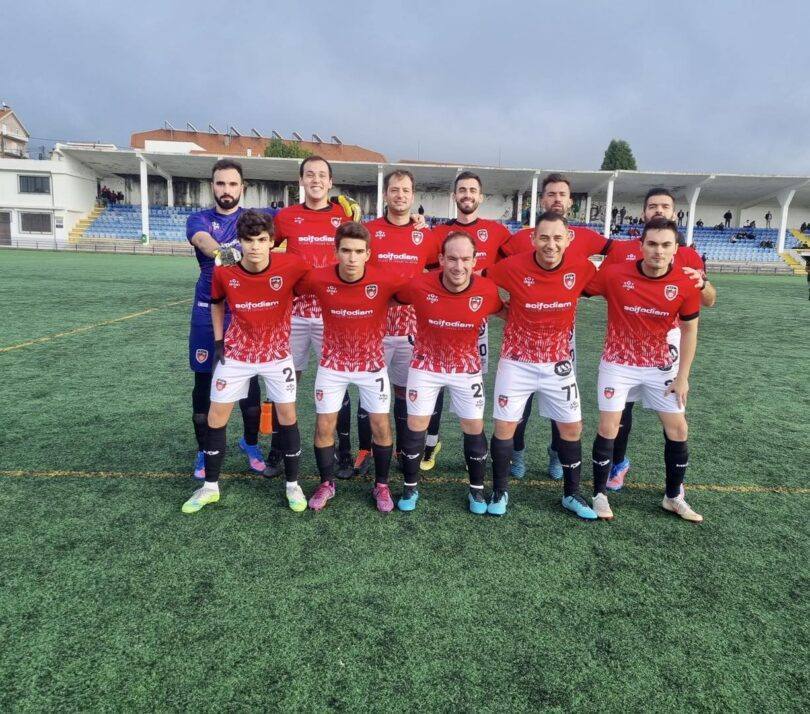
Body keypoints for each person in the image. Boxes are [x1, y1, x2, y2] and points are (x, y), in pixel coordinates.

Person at [181, 210, 310, 514]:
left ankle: (293, 485)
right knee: (216, 416)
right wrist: (218, 341)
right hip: (236, 354)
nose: (255, 247)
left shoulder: (291, 265)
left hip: (276, 355)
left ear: (272, 241)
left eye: (262, 240)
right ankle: (210, 487)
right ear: (239, 241)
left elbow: (322, 279)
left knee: (287, 415)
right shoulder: (225, 270)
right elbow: (216, 303)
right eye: (249, 240)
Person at [584, 217, 704, 522]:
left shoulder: (686, 283)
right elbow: (576, 287)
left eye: (665, 245)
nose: (658, 251)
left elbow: (690, 331)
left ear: (676, 249)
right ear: (641, 246)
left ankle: (673, 497)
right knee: (609, 427)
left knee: (678, 429)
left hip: (659, 366)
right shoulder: (614, 274)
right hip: (618, 363)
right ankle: (599, 494)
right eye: (651, 244)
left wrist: (683, 377)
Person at [598, 188, 716, 491]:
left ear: (674, 213)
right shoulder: (622, 251)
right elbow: (601, 284)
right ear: (644, 213)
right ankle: (618, 464)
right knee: (621, 411)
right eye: (653, 206)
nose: (659, 210)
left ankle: (674, 487)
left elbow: (709, 300)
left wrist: (702, 283)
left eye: (665, 206)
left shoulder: (688, 254)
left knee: (673, 410)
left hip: (668, 339)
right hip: (627, 338)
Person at [486, 212, 598, 519]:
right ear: (533, 239)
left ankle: (571, 494)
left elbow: (614, 285)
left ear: (568, 239)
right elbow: (480, 281)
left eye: (558, 238)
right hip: (516, 362)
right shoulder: (512, 266)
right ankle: (499, 490)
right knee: (504, 427)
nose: (551, 244)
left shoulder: (583, 268)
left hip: (558, 363)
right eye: (544, 237)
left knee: (572, 427)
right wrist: (501, 309)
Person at [499, 173, 609, 481]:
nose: (557, 199)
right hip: (522, 340)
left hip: (562, 338)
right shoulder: (521, 239)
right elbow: (492, 268)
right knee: (520, 404)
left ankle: (557, 454)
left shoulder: (585, 237)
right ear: (542, 200)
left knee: (561, 405)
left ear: (570, 201)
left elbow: (620, 255)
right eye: (551, 194)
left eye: (562, 194)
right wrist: (505, 308)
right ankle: (517, 454)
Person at [296, 222, 406, 513]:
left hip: (372, 365)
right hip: (332, 365)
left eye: (359, 251)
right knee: (324, 425)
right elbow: (289, 286)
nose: (352, 258)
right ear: (336, 252)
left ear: (368, 254)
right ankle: (326, 483)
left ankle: (381, 485)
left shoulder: (385, 279)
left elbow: (415, 293)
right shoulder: (318, 278)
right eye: (346, 251)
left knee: (380, 424)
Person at [395, 232, 504, 513]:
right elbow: (391, 298)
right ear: (441, 259)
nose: (459, 266)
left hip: (466, 368)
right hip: (426, 365)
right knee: (416, 424)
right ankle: (409, 487)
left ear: (475, 260)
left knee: (474, 426)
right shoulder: (419, 285)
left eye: (466, 259)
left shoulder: (487, 290)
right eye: (452, 259)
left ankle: (477, 491)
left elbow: (506, 312)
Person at [268, 156, 355, 478]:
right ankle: (278, 448)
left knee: (338, 381)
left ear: (330, 182)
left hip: (333, 314)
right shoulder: (286, 216)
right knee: (286, 379)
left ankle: (344, 451)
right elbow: (263, 246)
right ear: (301, 180)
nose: (316, 180)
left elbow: (360, 248)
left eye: (322, 175)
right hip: (293, 314)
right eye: (309, 174)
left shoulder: (344, 215)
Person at [186, 159, 270, 481]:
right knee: (204, 382)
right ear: (212, 186)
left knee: (250, 384)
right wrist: (228, 254)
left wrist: (339, 208)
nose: (226, 190)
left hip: (245, 311)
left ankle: (250, 443)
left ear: (242, 187)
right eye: (220, 183)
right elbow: (203, 242)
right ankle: (203, 449)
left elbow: (298, 220)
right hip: (207, 311)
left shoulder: (253, 219)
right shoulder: (199, 219)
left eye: (232, 184)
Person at [421, 172, 511, 471]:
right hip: (440, 320)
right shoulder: (438, 232)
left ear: (481, 197)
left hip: (476, 322)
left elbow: (520, 261)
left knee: (471, 390)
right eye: (462, 190)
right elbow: (427, 269)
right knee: (434, 386)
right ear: (454, 196)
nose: (467, 194)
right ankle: (430, 444)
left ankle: (473, 452)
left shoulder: (496, 232)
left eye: (473, 190)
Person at [356, 170, 439, 476]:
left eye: (405, 190)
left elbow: (435, 276)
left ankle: (404, 451)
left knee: (405, 392)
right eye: (394, 189)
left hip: (411, 328)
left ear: (412, 195)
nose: (400, 195)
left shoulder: (425, 235)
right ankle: (365, 450)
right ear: (385, 194)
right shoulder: (369, 231)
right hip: (373, 325)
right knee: (368, 389)